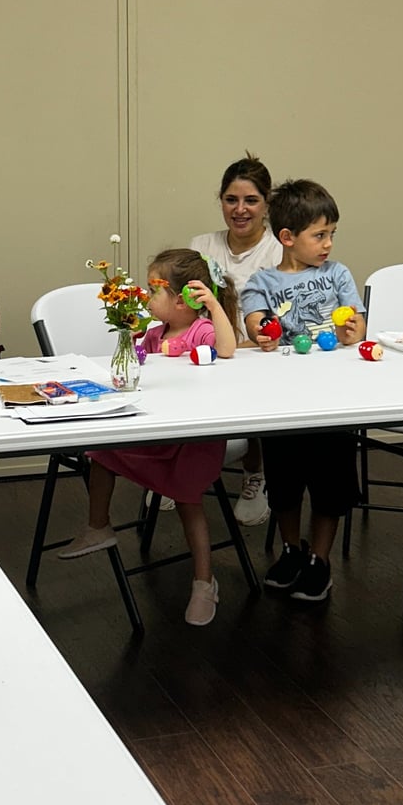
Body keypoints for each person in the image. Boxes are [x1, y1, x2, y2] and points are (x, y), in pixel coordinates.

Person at [58, 248, 238, 626]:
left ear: (183, 299)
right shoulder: (155, 333)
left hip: (194, 439)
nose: (147, 297)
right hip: (159, 431)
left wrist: (214, 306)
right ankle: (98, 525)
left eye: (154, 290)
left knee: (189, 499)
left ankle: (205, 581)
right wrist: (131, 339)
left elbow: (227, 349)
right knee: (102, 450)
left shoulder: (200, 330)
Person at [242, 179, 366, 602]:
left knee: (331, 483)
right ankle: (292, 549)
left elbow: (357, 329)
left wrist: (352, 332)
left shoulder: (338, 275)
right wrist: (261, 331)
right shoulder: (263, 280)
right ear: (288, 238)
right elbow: (255, 321)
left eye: (332, 233)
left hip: (334, 399)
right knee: (286, 480)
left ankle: (320, 558)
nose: (328, 243)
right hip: (286, 400)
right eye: (319, 235)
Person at [191, 152, 282, 527]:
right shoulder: (201, 245)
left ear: (267, 204)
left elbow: (281, 324)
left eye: (251, 200)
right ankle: (176, 470)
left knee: (256, 385)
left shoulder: (280, 250)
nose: (240, 209)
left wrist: (241, 348)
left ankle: (255, 473)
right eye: (231, 199)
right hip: (205, 349)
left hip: (259, 353)